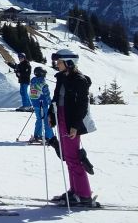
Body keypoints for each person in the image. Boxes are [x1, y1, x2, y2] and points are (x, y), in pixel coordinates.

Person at [48, 49, 94, 205]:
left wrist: (75, 126)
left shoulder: (79, 80)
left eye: (59, 62)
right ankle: (75, 191)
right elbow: (55, 98)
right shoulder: (61, 77)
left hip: (71, 121)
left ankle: (84, 194)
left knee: (73, 157)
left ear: (69, 63)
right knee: (68, 156)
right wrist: (51, 114)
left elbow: (82, 105)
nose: (57, 65)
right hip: (61, 117)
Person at [27, 67, 55, 144]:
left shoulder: (32, 82)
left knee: (39, 119)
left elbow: (32, 93)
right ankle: (49, 137)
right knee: (46, 120)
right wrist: (51, 104)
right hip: (43, 104)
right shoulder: (43, 84)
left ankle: (37, 135)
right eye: (44, 74)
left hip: (35, 104)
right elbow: (47, 95)